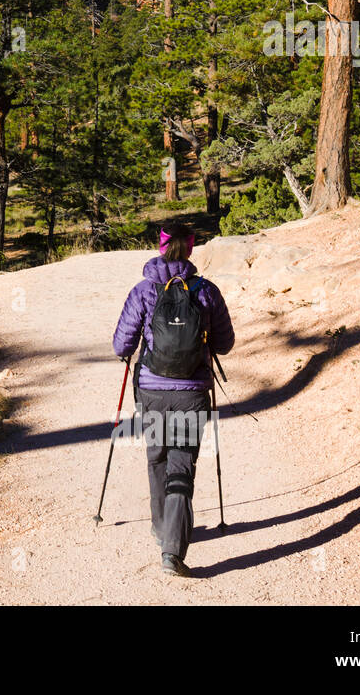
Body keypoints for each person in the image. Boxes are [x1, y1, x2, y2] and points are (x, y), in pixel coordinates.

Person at [111, 220, 234, 577]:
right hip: (192, 393)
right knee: (183, 465)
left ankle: (160, 525)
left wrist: (133, 350)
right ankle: (172, 551)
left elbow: (122, 345)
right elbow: (225, 343)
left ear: (160, 247)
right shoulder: (206, 290)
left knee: (157, 457)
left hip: (151, 389)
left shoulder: (143, 290)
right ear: (190, 248)